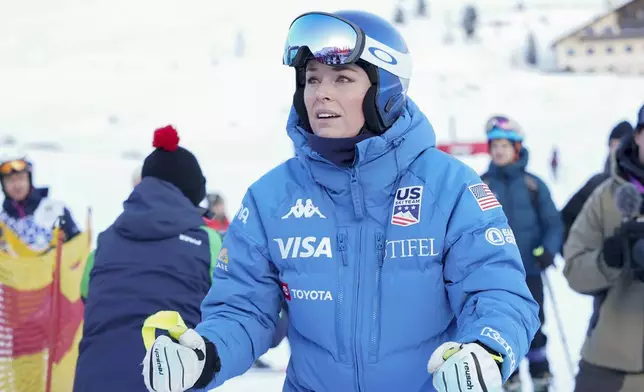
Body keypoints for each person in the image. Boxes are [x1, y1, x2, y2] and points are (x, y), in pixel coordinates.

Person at [142, 11, 539, 392]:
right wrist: (204, 354)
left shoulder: (451, 188)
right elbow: (244, 310)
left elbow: (497, 293)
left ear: (385, 91)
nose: (321, 94)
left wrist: (486, 348)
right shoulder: (271, 199)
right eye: (312, 80)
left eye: (342, 79)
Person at [74, 126, 223, 392]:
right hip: (166, 381)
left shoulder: (106, 241)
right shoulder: (207, 243)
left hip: (93, 380)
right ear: (192, 192)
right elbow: (234, 302)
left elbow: (85, 292)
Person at [563, 104, 644, 392]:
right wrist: (609, 260)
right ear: (637, 136)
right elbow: (573, 270)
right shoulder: (605, 198)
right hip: (611, 358)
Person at [479, 115, 563, 392]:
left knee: (534, 324)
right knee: (501, 326)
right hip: (496, 276)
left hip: (530, 271)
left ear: (516, 148)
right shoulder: (481, 185)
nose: (499, 151)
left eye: (504, 145)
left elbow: (553, 223)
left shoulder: (533, 185)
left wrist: (548, 250)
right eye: (495, 146)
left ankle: (541, 375)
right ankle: (509, 376)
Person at [561, 121, 633, 243]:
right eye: (612, 145)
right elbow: (567, 218)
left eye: (620, 143)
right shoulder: (596, 183)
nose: (615, 149)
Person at [0, 153, 79, 254]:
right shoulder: (2, 222)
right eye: (10, 181)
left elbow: (78, 246)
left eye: (20, 178)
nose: (16, 185)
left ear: (29, 179)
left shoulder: (56, 210)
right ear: (3, 185)